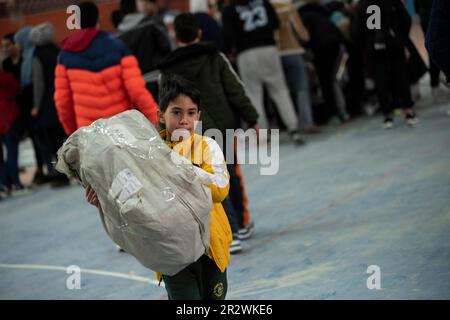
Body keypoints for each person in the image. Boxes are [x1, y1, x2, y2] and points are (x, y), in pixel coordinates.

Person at [86, 75, 232, 300]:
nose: (184, 120)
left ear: (199, 116)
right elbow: (130, 199)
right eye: (176, 112)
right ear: (160, 115)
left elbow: (220, 189)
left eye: (191, 113)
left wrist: (178, 166)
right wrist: (103, 200)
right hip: (171, 255)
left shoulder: (206, 146)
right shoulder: (144, 155)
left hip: (210, 249)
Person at [157, 13, 260, 253]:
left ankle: (224, 231)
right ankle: (239, 227)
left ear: (175, 35)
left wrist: (164, 132)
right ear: (199, 33)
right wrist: (252, 117)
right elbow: (235, 89)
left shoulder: (166, 69)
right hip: (222, 125)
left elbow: (164, 104)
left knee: (202, 179)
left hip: (186, 130)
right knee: (229, 174)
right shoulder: (215, 57)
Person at [54, 1, 158, 137]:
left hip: (91, 135)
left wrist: (74, 133)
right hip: (123, 129)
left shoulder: (65, 56)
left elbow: (62, 101)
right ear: (98, 20)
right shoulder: (118, 47)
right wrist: (155, 119)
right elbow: (137, 90)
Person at [221, 0, 304, 144]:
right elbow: (276, 23)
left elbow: (228, 36)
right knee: (280, 90)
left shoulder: (229, 9)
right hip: (269, 48)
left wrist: (231, 51)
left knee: (254, 94)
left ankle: (262, 133)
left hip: (246, 52)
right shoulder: (263, 2)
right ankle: (293, 128)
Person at [352, 0, 418, 128]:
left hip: (373, 48)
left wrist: (366, 45)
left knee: (380, 81)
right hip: (394, 44)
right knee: (401, 77)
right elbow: (406, 19)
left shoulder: (362, 4)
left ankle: (387, 116)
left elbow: (356, 31)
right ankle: (408, 111)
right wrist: (401, 38)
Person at [30, 22, 70, 188]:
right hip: (62, 100)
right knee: (66, 138)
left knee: (54, 143)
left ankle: (62, 174)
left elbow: (39, 84)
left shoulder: (37, 56)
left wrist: (36, 106)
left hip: (47, 105)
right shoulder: (58, 50)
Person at [271, 0, 320, 134]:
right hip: (292, 50)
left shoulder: (265, 7)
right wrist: (307, 38)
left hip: (274, 53)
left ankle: (289, 123)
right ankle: (306, 122)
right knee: (301, 88)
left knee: (280, 91)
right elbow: (301, 31)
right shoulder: (288, 7)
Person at [117, 0, 173, 100]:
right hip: (158, 78)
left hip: (137, 85)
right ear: (136, 7)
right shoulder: (151, 23)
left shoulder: (118, 35)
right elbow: (167, 46)